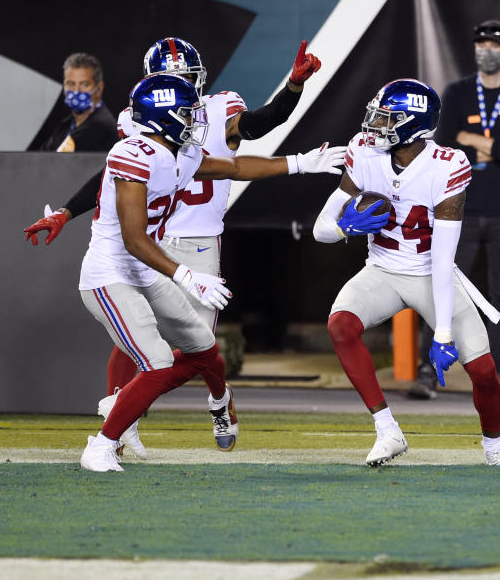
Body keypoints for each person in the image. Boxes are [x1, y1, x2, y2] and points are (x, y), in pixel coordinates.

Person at [25, 37, 322, 456]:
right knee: (135, 342)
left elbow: (255, 130)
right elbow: (112, 174)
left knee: (198, 347)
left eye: (188, 80)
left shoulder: (216, 110)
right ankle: (120, 422)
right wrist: (65, 211)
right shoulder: (138, 124)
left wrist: (293, 89)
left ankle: (218, 399)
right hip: (154, 242)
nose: (184, 90)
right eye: (172, 81)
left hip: (199, 240)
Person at [77, 72, 344, 472]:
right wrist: (187, 276)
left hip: (145, 271)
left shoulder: (180, 154)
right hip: (110, 274)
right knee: (157, 361)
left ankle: (130, 403)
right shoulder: (131, 155)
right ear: (162, 117)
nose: (195, 121)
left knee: (203, 348)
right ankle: (101, 444)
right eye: (186, 113)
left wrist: (300, 164)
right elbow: (134, 239)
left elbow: (234, 168)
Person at [312, 78, 500, 469]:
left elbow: (444, 259)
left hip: (431, 274)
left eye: (387, 118)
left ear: (414, 124)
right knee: (340, 326)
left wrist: (443, 335)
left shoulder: (448, 166)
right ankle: (387, 430)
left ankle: (495, 450)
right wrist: (345, 228)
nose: (374, 125)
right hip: (381, 268)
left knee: (483, 370)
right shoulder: (364, 152)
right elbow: (320, 228)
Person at [409, 19, 500, 401]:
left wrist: (476, 140)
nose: (488, 49)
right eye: (481, 43)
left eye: (495, 44)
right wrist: (488, 143)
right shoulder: (457, 93)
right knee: (441, 287)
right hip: (458, 208)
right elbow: (447, 146)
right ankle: (427, 371)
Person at [36, 52, 118, 153]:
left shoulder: (101, 127)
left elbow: (56, 165)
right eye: (71, 84)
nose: (76, 90)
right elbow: (41, 159)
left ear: (99, 89)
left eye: (84, 84)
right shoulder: (66, 125)